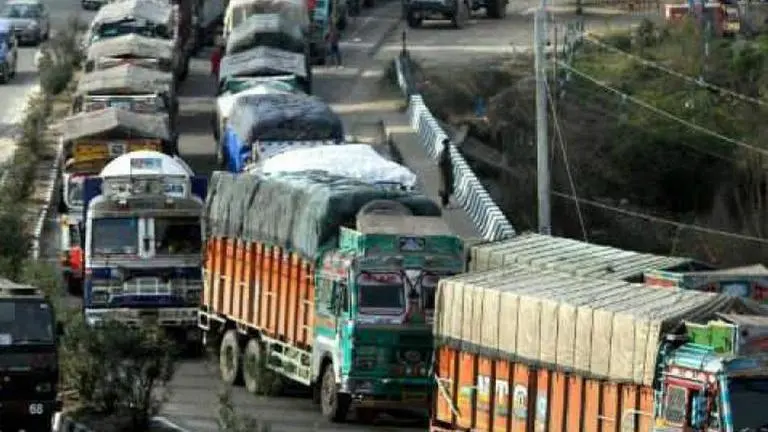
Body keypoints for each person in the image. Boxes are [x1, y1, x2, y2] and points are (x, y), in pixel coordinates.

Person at [438, 138, 454, 209]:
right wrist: (444, 170)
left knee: (447, 188)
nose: (449, 145)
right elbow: (440, 163)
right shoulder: (444, 153)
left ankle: (446, 202)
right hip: (445, 173)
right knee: (445, 188)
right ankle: (445, 203)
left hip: (448, 172)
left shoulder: (447, 152)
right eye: (448, 144)